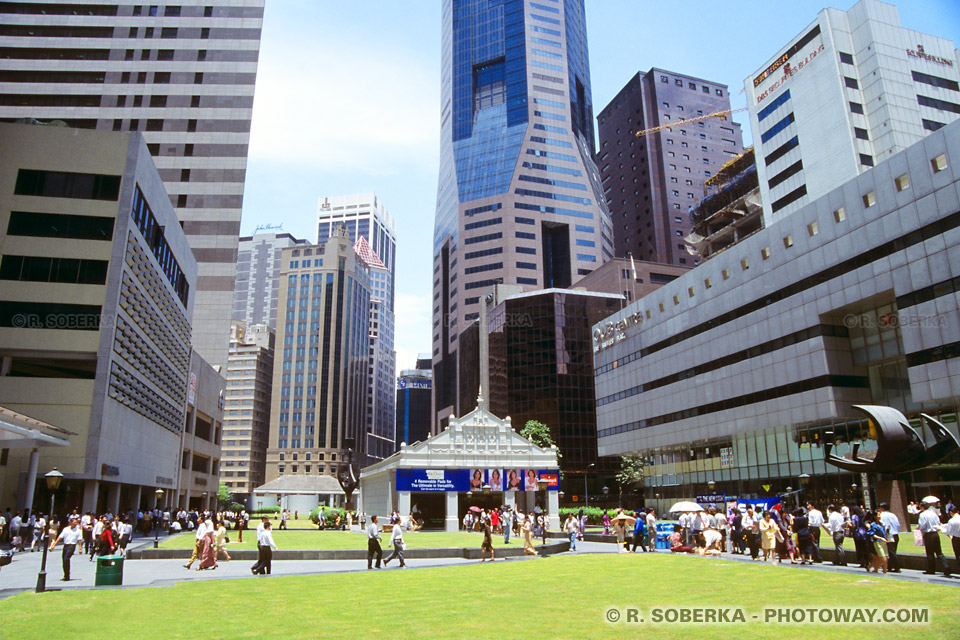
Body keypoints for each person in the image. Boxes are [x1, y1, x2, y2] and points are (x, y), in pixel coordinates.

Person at [918, 498, 951, 577]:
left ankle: (931, 569)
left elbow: (922, 525)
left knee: (930, 553)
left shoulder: (922, 515)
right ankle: (946, 567)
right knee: (939, 552)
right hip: (935, 534)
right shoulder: (933, 513)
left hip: (928, 534)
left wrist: (918, 528)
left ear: (922, 507)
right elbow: (938, 523)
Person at [48, 517, 82, 581]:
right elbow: (60, 537)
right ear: (70, 522)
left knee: (66, 558)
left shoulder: (78, 530)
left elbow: (79, 540)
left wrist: (80, 548)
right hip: (66, 545)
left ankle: (67, 575)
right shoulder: (66, 529)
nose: (75, 523)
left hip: (72, 546)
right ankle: (66, 575)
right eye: (74, 522)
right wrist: (53, 545)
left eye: (76, 522)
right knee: (64, 560)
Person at [877, 502, 902, 573]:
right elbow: (898, 525)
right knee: (892, 551)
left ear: (882, 508)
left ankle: (897, 567)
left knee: (890, 552)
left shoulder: (882, 515)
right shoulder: (893, 515)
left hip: (889, 535)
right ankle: (889, 566)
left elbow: (884, 526)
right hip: (895, 534)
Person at [944, 505, 960, 571]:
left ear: (951, 512)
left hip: (956, 539)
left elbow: (948, 531)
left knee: (958, 555)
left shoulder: (952, 520)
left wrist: (941, 529)